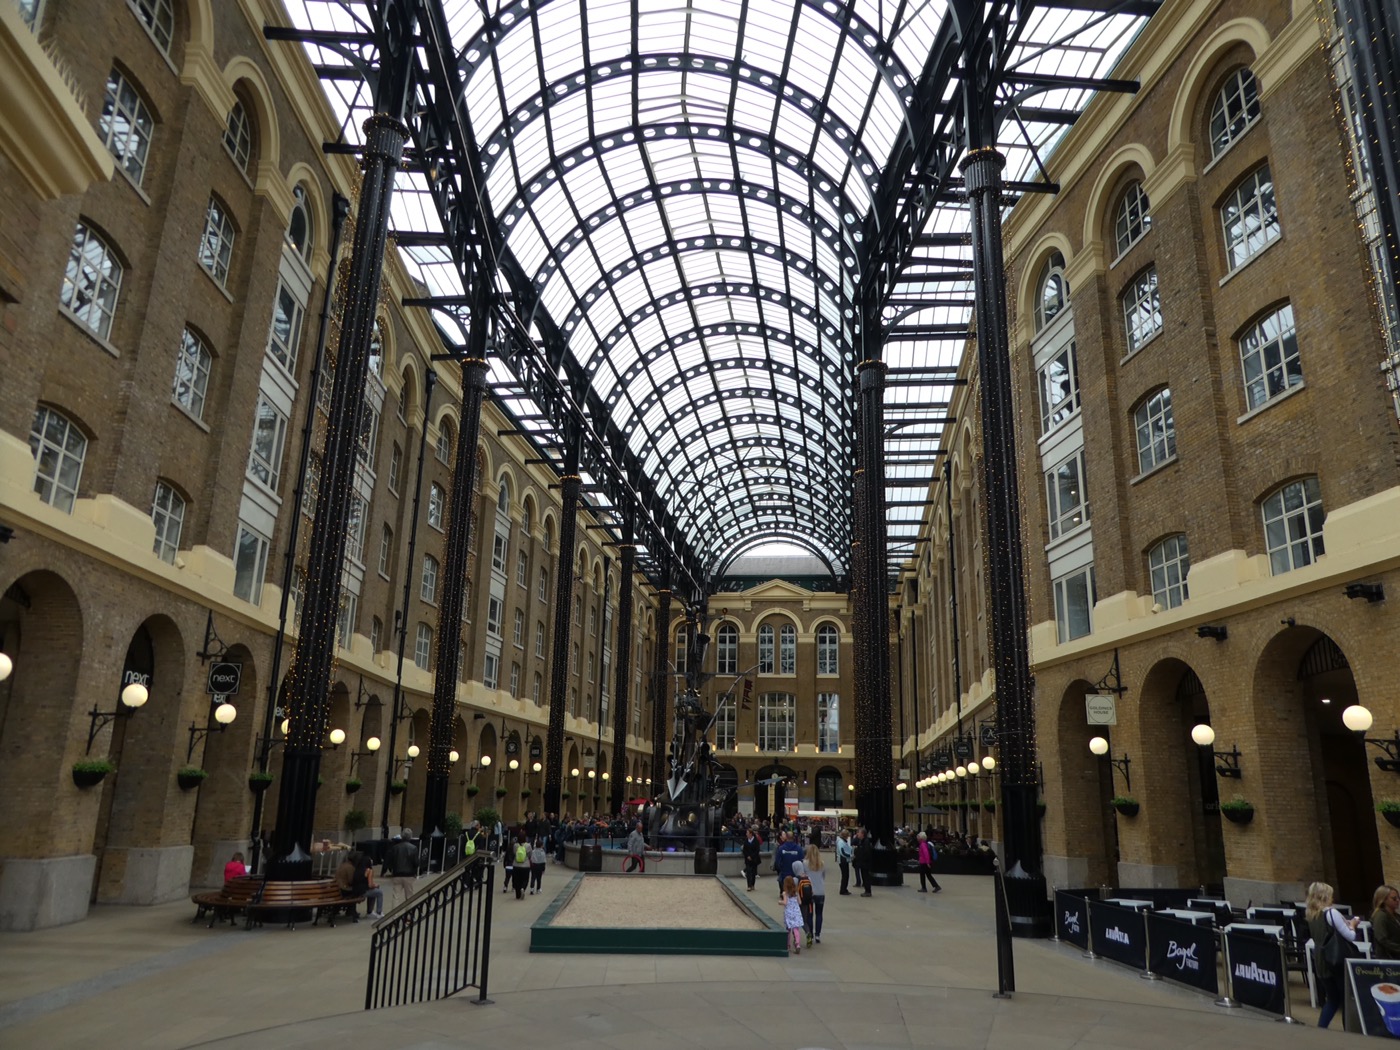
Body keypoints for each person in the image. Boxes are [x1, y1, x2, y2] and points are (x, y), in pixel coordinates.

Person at [1307, 880, 1360, 1028]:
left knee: (1332, 998)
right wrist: (1353, 925)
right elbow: (1350, 936)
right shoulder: (1331, 913)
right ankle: (1348, 1029)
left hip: (1320, 959)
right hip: (1335, 960)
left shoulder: (1311, 915)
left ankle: (1321, 1027)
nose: (1333, 898)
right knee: (1345, 998)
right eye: (1330, 895)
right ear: (1325, 896)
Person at [387, 831, 419, 910]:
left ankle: (394, 917)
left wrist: (392, 870)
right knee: (409, 896)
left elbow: (390, 861)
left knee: (396, 896)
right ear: (410, 837)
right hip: (409, 874)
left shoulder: (395, 847)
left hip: (397, 874)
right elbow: (416, 862)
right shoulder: (413, 848)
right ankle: (408, 917)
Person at [803, 844, 827, 943]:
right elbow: (823, 877)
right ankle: (818, 935)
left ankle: (810, 934)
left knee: (809, 914)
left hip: (810, 892)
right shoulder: (822, 863)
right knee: (819, 914)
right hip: (821, 891)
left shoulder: (805, 863)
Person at [1372, 884, 1400, 958]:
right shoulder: (1380, 916)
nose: (1397, 901)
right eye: (1394, 898)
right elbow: (1382, 939)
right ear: (1383, 900)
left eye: (1398, 898)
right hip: (1388, 958)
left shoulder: (1396, 916)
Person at [792, 860, 814, 948]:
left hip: (796, 903)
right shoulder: (808, 878)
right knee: (804, 920)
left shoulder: (795, 879)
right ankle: (808, 933)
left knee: (795, 922)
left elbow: (792, 892)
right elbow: (812, 890)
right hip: (806, 902)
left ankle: (795, 939)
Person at [774, 831, 803, 901]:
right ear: (793, 838)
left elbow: (777, 862)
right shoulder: (798, 849)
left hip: (785, 874)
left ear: (786, 837)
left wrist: (781, 869)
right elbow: (802, 861)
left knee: (786, 893)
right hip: (795, 875)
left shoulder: (781, 848)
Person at [781, 875, 804, 954]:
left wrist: (780, 902)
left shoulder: (785, 893)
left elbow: (785, 902)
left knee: (788, 929)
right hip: (796, 912)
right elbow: (800, 902)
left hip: (789, 913)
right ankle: (797, 944)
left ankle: (787, 945)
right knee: (796, 929)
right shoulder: (796, 893)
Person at [741, 826, 762, 891]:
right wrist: (747, 856)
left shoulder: (755, 841)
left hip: (754, 859)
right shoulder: (746, 841)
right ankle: (749, 885)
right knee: (748, 872)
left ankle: (752, 884)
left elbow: (757, 850)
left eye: (747, 833)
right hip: (747, 859)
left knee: (753, 873)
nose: (746, 834)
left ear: (750, 834)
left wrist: (752, 856)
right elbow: (744, 850)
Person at [854, 827, 873, 896]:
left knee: (866, 877)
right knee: (864, 876)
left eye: (858, 833)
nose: (857, 834)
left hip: (865, 863)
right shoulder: (861, 841)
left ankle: (868, 891)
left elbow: (866, 852)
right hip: (862, 862)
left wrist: (861, 858)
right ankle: (866, 890)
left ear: (862, 834)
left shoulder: (866, 842)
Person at [835, 830, 853, 895]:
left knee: (845, 875)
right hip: (843, 860)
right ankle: (843, 890)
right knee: (845, 876)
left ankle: (844, 889)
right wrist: (850, 856)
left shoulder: (842, 841)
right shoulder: (841, 842)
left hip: (844, 860)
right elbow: (842, 852)